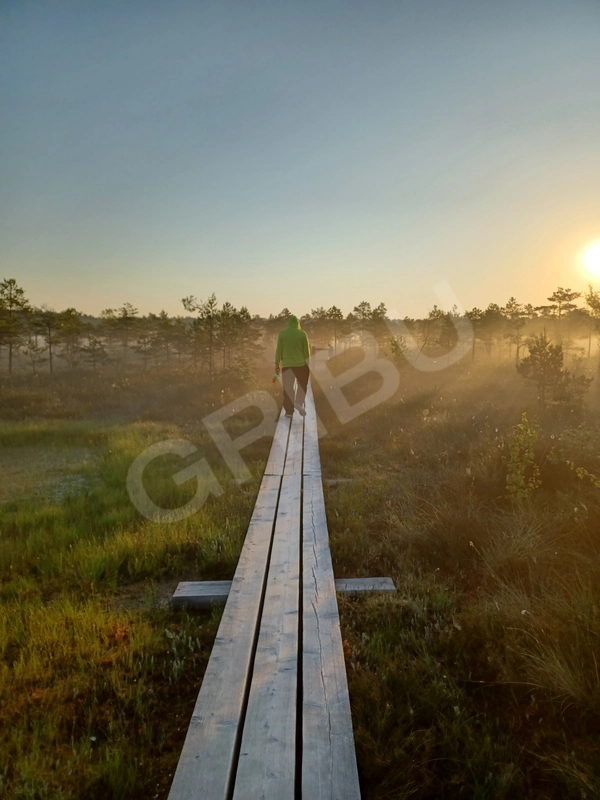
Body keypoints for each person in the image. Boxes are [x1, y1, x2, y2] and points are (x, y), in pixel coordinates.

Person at [274, 315, 310, 417]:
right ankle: (298, 402)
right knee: (302, 385)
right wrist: (307, 364)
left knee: (288, 388)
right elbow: (306, 351)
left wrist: (276, 363)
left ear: (288, 324)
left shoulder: (282, 334)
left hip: (287, 366)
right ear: (298, 324)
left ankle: (289, 412)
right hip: (301, 365)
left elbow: (279, 350)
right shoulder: (302, 334)